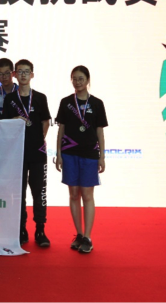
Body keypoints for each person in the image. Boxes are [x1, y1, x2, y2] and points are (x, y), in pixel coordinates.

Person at [55, 65, 107, 254]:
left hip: (90, 155)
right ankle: (78, 234)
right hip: (69, 154)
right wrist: (59, 154)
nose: (77, 82)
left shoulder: (97, 103)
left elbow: (100, 131)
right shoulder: (66, 102)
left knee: (87, 195)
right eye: (74, 79)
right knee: (73, 194)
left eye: (81, 79)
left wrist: (102, 156)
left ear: (87, 80)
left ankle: (88, 237)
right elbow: (61, 130)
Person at [2, 59, 51, 248]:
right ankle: (21, 229)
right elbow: (5, 125)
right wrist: (14, 119)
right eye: (20, 71)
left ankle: (40, 229)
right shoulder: (10, 99)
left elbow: (45, 122)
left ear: (32, 74)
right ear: (14, 74)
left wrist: (38, 140)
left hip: (37, 153)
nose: (23, 75)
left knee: (39, 192)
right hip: (17, 153)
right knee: (19, 192)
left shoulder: (40, 98)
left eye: (26, 71)